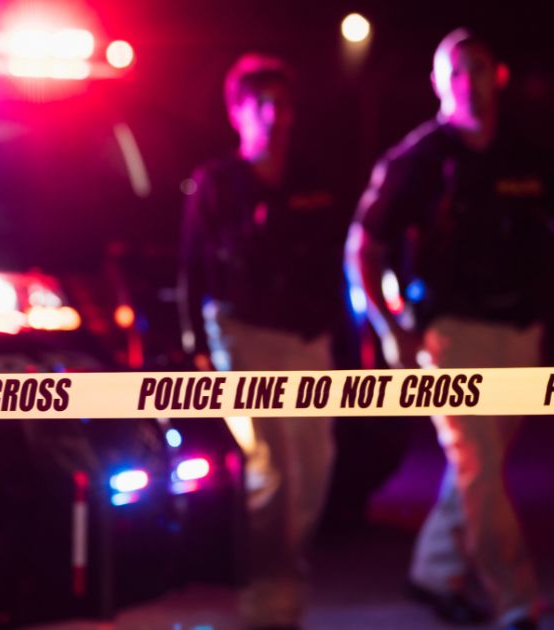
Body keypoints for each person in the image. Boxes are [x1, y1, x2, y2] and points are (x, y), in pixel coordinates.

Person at [345, 28, 554, 630]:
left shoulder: (525, 154)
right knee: (476, 464)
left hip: (518, 334)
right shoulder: (420, 160)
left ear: (501, 77)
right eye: (456, 72)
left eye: (479, 69)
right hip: (451, 335)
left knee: (481, 467)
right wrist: (389, 327)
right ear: (440, 84)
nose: (469, 82)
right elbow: (365, 243)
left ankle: (433, 573)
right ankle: (517, 603)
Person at [179, 53, 348, 630]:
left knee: (315, 467)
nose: (273, 116)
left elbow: (338, 263)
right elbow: (192, 270)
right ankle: (262, 597)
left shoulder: (315, 180)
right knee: (270, 465)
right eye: (260, 104)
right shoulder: (216, 185)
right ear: (238, 113)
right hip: (242, 334)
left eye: (282, 103)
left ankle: (286, 575)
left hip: (305, 340)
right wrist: (198, 348)